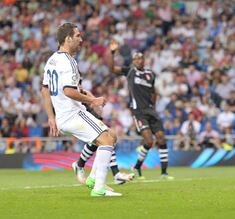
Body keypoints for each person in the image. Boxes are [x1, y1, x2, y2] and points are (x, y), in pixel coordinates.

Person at [41, 23, 121, 196]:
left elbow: (45, 89)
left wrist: (51, 117)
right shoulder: (68, 61)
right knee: (106, 140)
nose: (81, 39)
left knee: (111, 135)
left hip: (64, 116)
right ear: (67, 39)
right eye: (77, 36)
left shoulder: (52, 60)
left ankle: (92, 178)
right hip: (73, 114)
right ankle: (99, 188)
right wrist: (93, 100)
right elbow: (68, 91)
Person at [108, 41, 174, 180]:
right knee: (149, 141)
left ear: (144, 60)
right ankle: (138, 166)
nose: (138, 60)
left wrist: (153, 106)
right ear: (133, 61)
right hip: (138, 112)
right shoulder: (130, 71)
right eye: (136, 59)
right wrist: (112, 54)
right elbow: (112, 69)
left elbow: (153, 92)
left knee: (161, 138)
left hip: (150, 110)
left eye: (140, 58)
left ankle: (164, 172)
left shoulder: (150, 74)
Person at [71, 80, 135, 185]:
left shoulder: (82, 91)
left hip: (90, 116)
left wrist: (96, 103)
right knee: (106, 139)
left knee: (105, 140)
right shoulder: (70, 92)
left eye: (79, 82)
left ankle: (81, 166)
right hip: (81, 117)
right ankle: (114, 175)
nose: (79, 85)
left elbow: (94, 102)